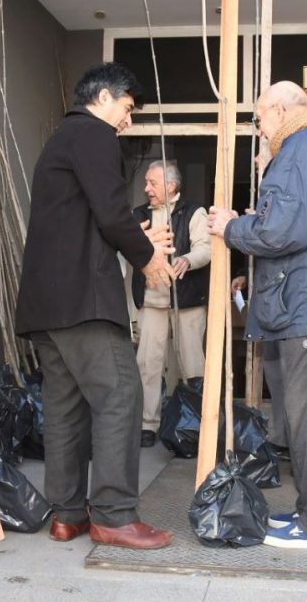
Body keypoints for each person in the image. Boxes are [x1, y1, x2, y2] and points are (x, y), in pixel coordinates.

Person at [15, 62, 176, 550]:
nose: (128, 121)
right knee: (121, 395)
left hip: (47, 304)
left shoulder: (62, 139)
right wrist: (147, 256)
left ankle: (67, 515)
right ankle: (113, 514)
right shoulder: (94, 135)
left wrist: (135, 236)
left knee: (64, 409)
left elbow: (88, 221)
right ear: (104, 97)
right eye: (128, 108)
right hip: (82, 302)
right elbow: (110, 212)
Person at [208, 81, 307, 550]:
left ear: (279, 110)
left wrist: (233, 227)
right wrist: (256, 224)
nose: (259, 131)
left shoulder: (300, 150)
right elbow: (297, 223)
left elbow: (286, 231)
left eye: (259, 120)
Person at [131, 160, 211, 447]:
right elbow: (127, 250)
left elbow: (206, 247)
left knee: (191, 363)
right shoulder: (138, 215)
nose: (146, 189)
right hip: (151, 301)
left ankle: (196, 423)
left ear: (171, 185)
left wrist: (188, 260)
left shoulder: (193, 212)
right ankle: (147, 424)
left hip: (187, 301)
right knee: (148, 364)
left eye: (152, 183)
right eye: (147, 183)